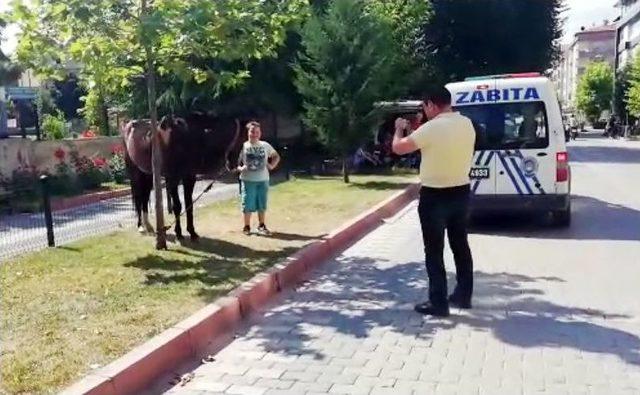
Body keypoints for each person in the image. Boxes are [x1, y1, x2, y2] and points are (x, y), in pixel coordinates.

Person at [392, 86, 476, 317]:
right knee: (460, 245)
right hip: (461, 192)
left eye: (424, 106)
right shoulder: (467, 124)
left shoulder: (431, 128)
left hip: (435, 196)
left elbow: (399, 148)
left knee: (434, 250)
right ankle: (464, 294)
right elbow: (438, 141)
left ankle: (438, 303)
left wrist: (399, 130)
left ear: (430, 104)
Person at [237, 121, 280, 235]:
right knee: (247, 203)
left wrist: (271, 165)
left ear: (260, 133)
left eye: (257, 132)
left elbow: (276, 156)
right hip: (248, 180)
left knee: (262, 203)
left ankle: (261, 225)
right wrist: (240, 168)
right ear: (248, 132)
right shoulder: (243, 146)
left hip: (263, 180)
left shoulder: (265, 145)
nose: (254, 134)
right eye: (252, 131)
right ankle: (246, 226)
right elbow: (236, 162)